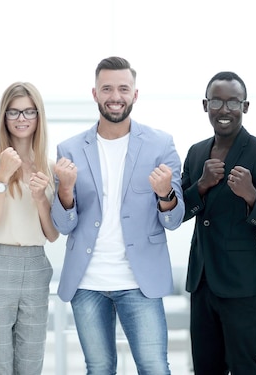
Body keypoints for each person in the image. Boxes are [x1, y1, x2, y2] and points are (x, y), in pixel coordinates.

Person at [51, 56, 184, 374]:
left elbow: (173, 220)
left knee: (154, 367)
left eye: (123, 88)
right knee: (98, 368)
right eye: (107, 88)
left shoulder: (160, 144)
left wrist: (165, 193)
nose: (115, 96)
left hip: (140, 281)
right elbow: (63, 225)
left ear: (135, 94)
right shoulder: (69, 149)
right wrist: (65, 190)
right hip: (88, 281)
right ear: (94, 93)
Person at [181, 71, 256, 374]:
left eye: (233, 102)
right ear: (205, 105)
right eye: (216, 101)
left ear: (246, 106)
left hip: (243, 288)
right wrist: (200, 185)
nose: (224, 109)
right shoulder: (196, 152)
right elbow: (180, 213)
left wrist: (251, 195)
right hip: (202, 284)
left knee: (245, 369)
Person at [0, 82, 58, 374]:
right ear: (4, 117)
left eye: (29, 112)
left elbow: (52, 234)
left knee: (31, 364)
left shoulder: (48, 166)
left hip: (36, 265)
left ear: (38, 117)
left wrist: (40, 200)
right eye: (14, 112)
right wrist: (3, 176)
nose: (22, 118)